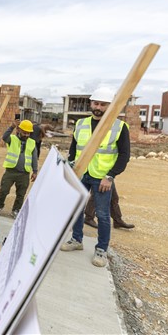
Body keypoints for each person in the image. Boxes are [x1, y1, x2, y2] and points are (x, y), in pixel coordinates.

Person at [61, 87, 130, 268]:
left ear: (110, 106)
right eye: (96, 103)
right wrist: (71, 165)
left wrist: (110, 176)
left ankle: (101, 249)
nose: (98, 107)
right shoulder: (81, 123)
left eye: (103, 104)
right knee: (76, 209)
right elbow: (74, 148)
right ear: (91, 103)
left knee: (102, 215)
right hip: (81, 174)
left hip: (102, 177)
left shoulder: (119, 127)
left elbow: (124, 155)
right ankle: (76, 239)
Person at [0, 119, 38, 219]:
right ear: (19, 130)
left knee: (21, 194)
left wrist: (35, 171)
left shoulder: (32, 143)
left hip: (24, 173)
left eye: (28, 133)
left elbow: (34, 158)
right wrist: (11, 127)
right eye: (24, 132)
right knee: (4, 190)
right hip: (10, 172)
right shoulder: (12, 138)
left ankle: (15, 210)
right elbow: (4, 137)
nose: (26, 134)